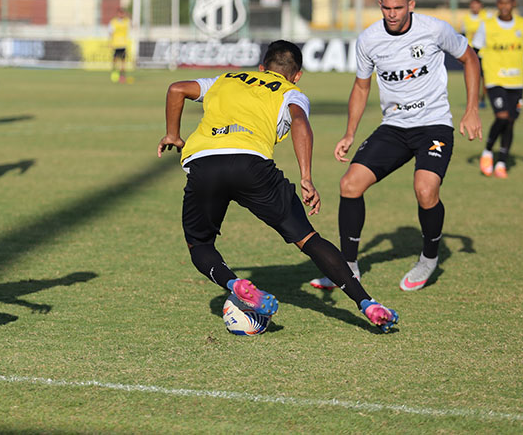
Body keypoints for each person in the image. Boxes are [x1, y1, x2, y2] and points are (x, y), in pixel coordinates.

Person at [157, 40, 399, 333]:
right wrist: (306, 177)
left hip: (205, 163)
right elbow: (300, 123)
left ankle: (234, 283)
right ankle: (367, 303)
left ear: (262, 67)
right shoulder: (291, 92)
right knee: (309, 239)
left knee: (199, 244)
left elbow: (176, 89)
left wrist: (173, 134)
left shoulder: (225, 79)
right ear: (297, 75)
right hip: (252, 166)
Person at [309, 0, 482, 293]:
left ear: (411, 5)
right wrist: (349, 133)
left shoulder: (434, 29)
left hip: (434, 124)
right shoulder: (369, 40)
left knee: (425, 190)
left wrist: (472, 109)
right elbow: (361, 86)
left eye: (398, 8)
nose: (392, 14)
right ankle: (348, 268)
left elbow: (470, 59)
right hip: (394, 127)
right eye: (386, 8)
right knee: (349, 185)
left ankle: (429, 258)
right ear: (380, 6)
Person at [473, 0, 523, 179]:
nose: (504, 6)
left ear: (514, 3)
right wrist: (478, 75)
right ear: (497, 3)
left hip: (516, 81)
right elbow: (474, 52)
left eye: (507, 2)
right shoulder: (487, 26)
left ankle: (501, 163)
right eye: (501, 3)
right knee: (502, 117)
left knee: (510, 122)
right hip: (495, 80)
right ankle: (487, 152)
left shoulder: (522, 24)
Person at [461, 0, 490, 108]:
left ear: (481, 6)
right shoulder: (466, 19)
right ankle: (474, 99)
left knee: (485, 78)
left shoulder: (487, 17)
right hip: (471, 53)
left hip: (485, 53)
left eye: (476, 5)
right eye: (472, 5)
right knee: (473, 76)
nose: (474, 7)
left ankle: (483, 99)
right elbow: (463, 35)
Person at [108, 8, 130, 83]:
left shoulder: (126, 21)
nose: (121, 15)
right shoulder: (113, 22)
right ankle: (114, 74)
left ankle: (122, 76)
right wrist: (110, 42)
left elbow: (133, 24)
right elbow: (110, 32)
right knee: (114, 61)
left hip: (123, 44)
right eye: (120, 13)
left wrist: (128, 15)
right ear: (117, 14)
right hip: (116, 44)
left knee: (123, 62)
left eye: (122, 13)